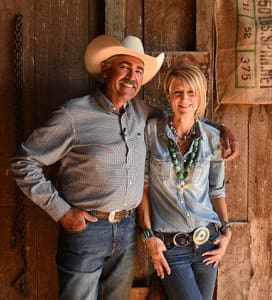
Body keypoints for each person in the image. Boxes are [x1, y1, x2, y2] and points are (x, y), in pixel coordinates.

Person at [10, 35, 236, 300]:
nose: (132, 76)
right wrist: (61, 211)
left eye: (139, 71)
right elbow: (23, 163)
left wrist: (222, 130)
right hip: (86, 229)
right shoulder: (73, 115)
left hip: (128, 228)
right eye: (125, 67)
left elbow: (184, 114)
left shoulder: (143, 113)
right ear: (105, 68)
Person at [138, 64, 232, 300]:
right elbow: (144, 189)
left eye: (192, 92)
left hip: (207, 241)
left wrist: (227, 230)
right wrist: (149, 236)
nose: (184, 99)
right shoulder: (151, 133)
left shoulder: (213, 138)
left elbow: (217, 190)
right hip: (171, 246)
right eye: (178, 92)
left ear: (200, 95)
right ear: (168, 95)